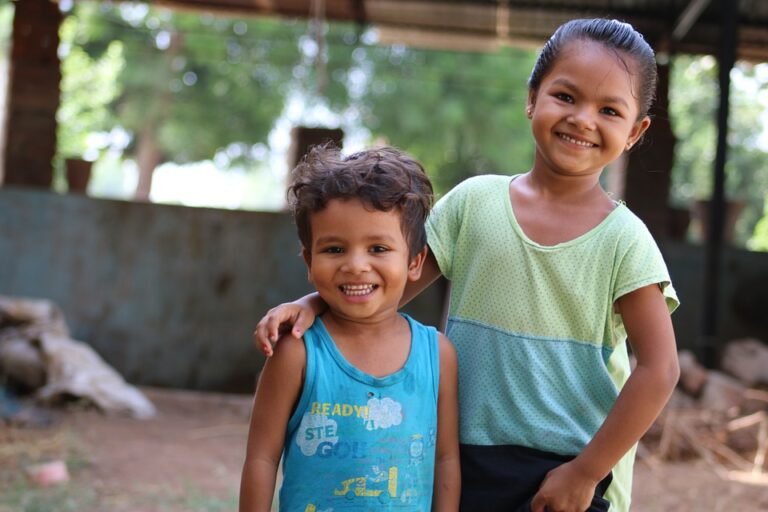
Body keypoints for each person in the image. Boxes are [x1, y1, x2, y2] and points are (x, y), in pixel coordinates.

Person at [254, 18, 680, 512]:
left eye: (609, 110)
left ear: (635, 132)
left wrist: (586, 471)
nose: (583, 119)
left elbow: (660, 369)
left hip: (563, 470)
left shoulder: (625, 241)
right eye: (565, 96)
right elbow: (385, 287)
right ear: (532, 98)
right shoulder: (474, 203)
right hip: (463, 459)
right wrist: (311, 304)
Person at [239, 145, 461, 511]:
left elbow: (445, 459)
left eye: (378, 248)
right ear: (309, 260)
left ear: (415, 261)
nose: (356, 265)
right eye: (334, 250)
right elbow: (262, 457)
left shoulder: (437, 355)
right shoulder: (297, 351)